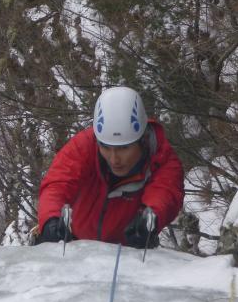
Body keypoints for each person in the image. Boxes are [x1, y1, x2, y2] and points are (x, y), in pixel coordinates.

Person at [35, 86, 184, 248]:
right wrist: (51, 219)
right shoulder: (84, 146)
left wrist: (151, 217)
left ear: (142, 140)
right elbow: (58, 183)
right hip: (75, 245)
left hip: (128, 252)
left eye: (124, 148)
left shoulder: (161, 158)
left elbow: (165, 193)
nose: (114, 159)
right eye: (105, 147)